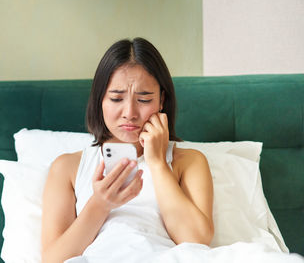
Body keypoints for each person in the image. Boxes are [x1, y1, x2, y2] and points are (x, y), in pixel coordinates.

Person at [41, 37, 214, 262]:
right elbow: (53, 259)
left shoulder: (189, 161)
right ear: (100, 100)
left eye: (144, 99)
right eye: (116, 98)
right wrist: (101, 204)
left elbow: (196, 242)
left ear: (161, 100)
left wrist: (158, 163)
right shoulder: (67, 167)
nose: (130, 113)